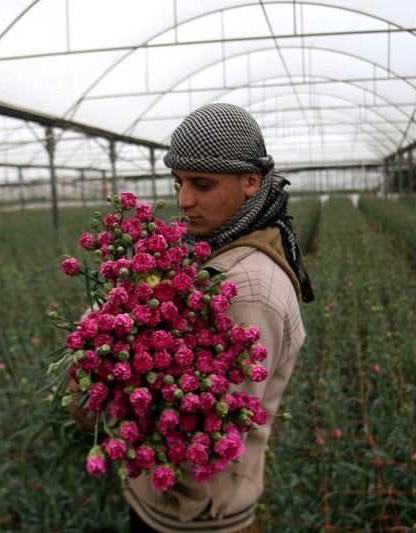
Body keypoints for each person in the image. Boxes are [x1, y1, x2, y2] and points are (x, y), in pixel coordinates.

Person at [122, 102, 314, 533]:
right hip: (169, 503)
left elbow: (202, 424)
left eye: (202, 184)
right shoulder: (217, 248)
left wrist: (104, 398)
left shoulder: (246, 288)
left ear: (252, 181)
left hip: (193, 515)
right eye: (179, 182)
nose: (183, 200)